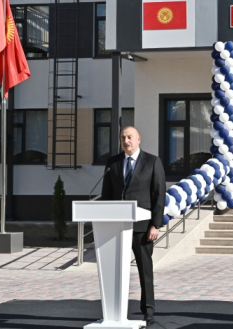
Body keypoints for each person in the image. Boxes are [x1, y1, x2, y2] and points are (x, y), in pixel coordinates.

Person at [101, 126, 166, 326]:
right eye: (123, 138)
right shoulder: (113, 163)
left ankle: (148, 310)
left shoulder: (152, 162)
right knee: (114, 270)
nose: (126, 141)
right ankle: (112, 310)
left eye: (129, 137)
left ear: (139, 139)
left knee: (144, 269)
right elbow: (107, 195)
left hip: (142, 227)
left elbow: (159, 195)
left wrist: (155, 224)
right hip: (116, 228)